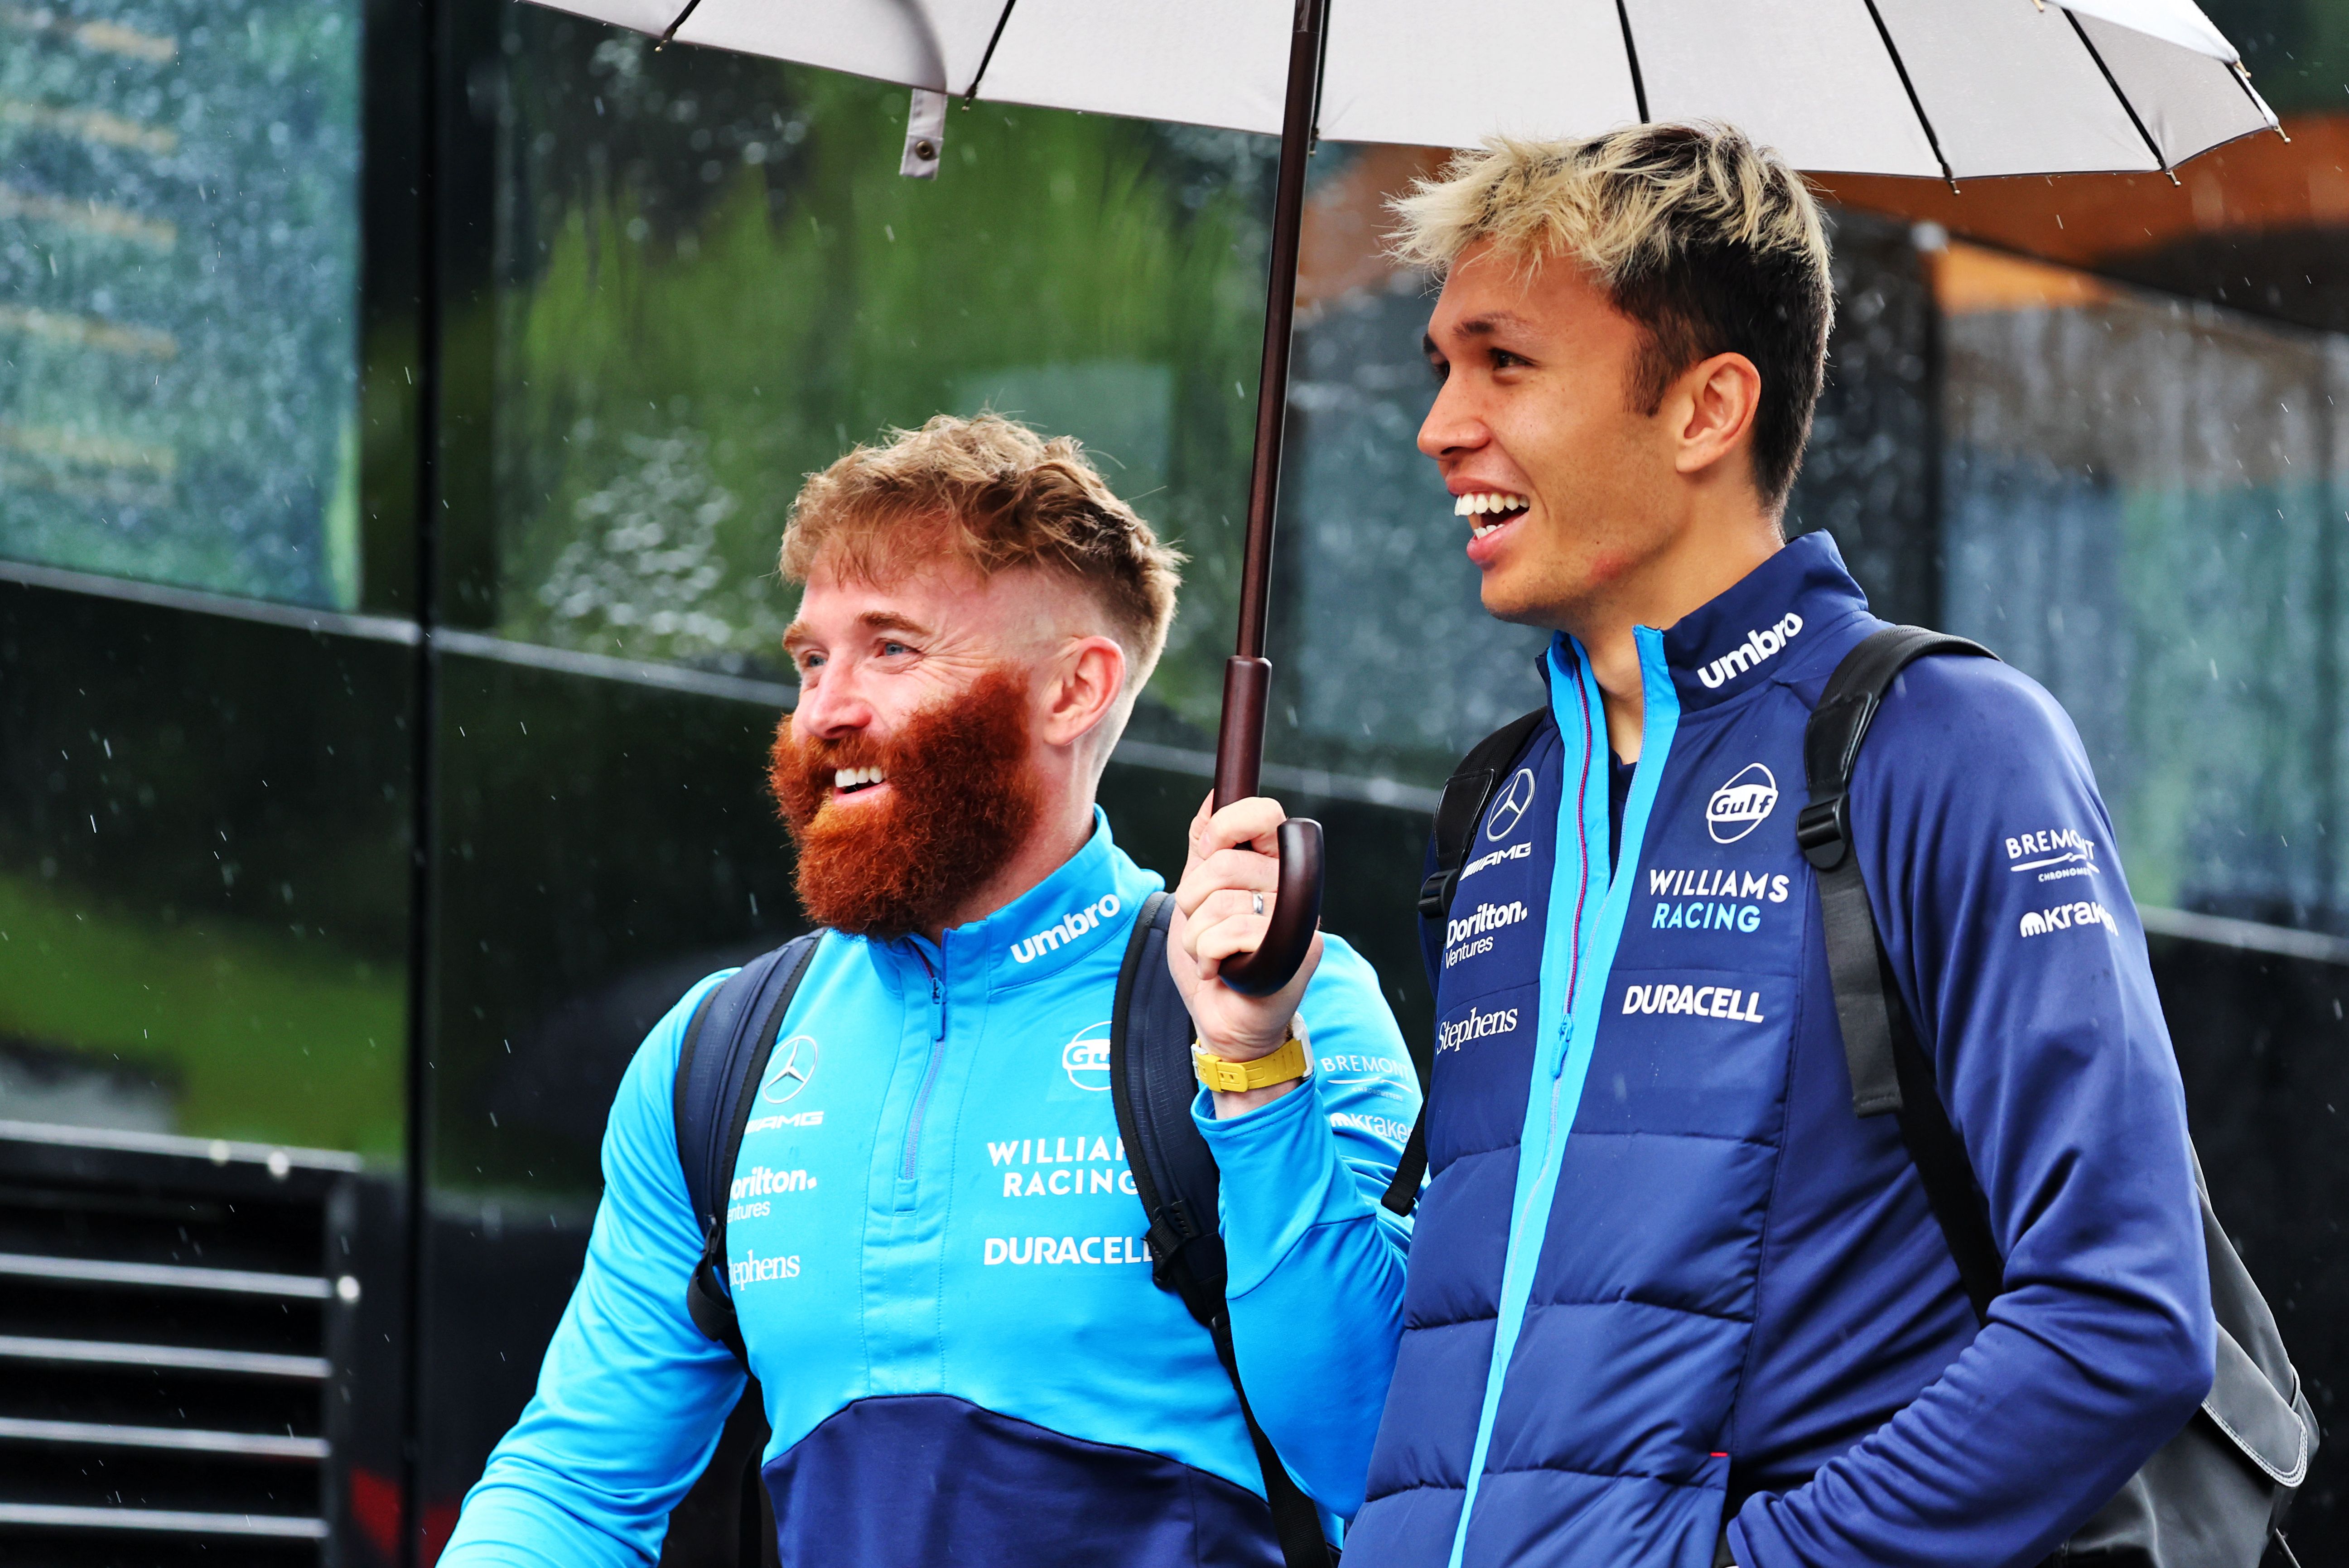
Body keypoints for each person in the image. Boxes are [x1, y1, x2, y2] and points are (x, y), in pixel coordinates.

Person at [1176, 125, 2214, 1568]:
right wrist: (1251, 1061)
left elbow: (2121, 1315)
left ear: (1708, 406)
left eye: (1504, 363)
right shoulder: (1501, 810)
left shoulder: (1945, 743)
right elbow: (1371, 1436)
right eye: (1439, 366)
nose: (1437, 425)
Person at [439, 414, 1419, 1567]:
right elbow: (571, 1494)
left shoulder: (1283, 1003)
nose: (825, 711)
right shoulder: (719, 1055)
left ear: (1073, 692)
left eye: (892, 650)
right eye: (812, 658)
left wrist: (1252, 1070)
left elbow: (1386, 1460)